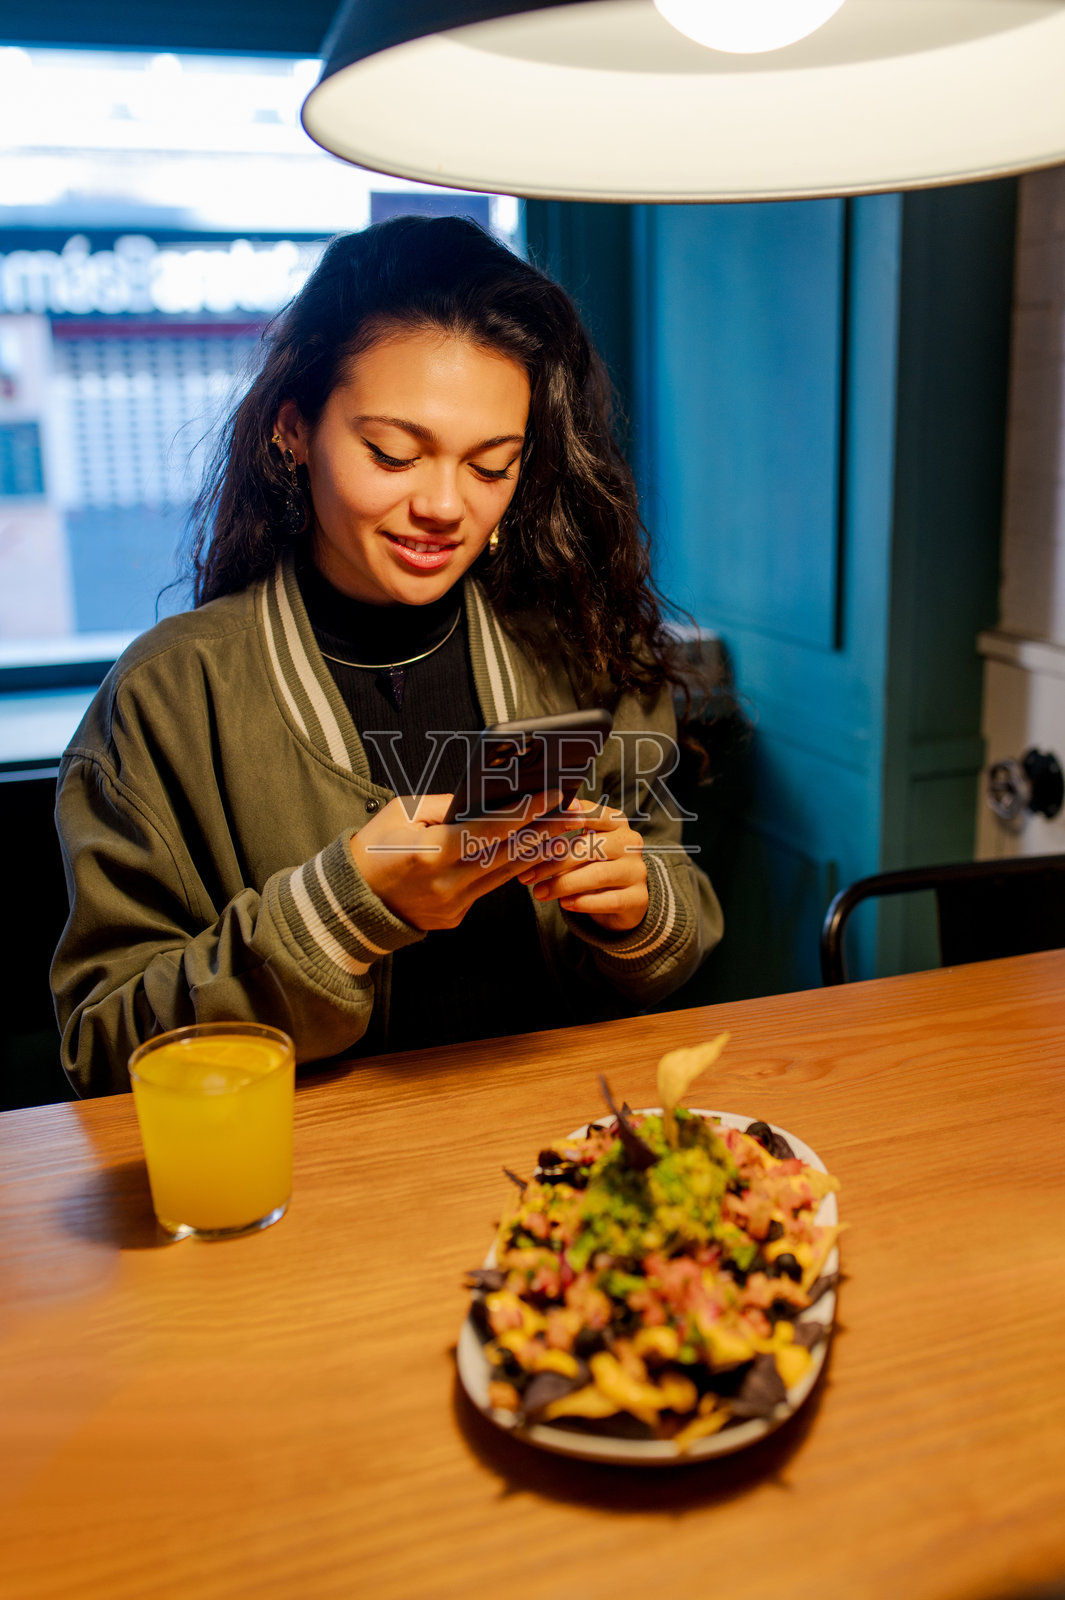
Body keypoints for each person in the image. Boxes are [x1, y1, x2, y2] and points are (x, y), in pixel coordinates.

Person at [51, 215, 723, 1097]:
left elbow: (681, 926)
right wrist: (342, 910)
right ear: (292, 431)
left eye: (491, 467)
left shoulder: (586, 648)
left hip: (565, 1156)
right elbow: (102, 1045)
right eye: (393, 453)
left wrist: (637, 910)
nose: (445, 505)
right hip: (317, 1186)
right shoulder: (169, 699)